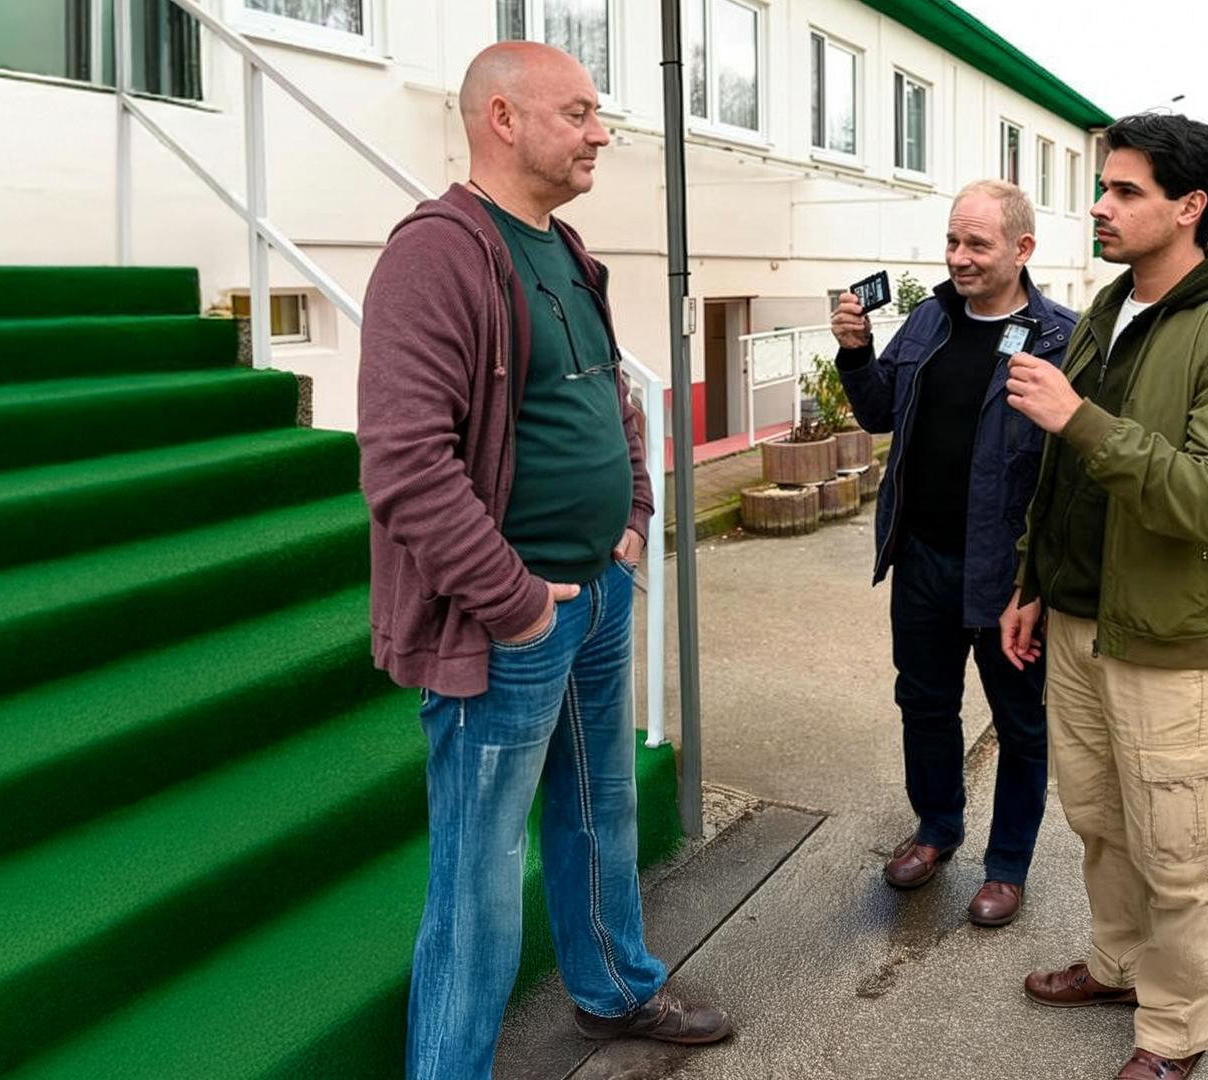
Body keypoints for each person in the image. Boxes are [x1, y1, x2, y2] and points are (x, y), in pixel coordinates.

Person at [356, 41, 730, 1080]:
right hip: (505, 621)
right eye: (578, 112)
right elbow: (402, 464)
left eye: (597, 113)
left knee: (600, 810)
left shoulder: (564, 247)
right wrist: (515, 603)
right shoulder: (436, 253)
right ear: (503, 119)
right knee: (477, 880)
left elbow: (610, 391)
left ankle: (614, 989)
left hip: (596, 594)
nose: (601, 131)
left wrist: (633, 511)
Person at [1001, 113, 1208, 1080]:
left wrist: (1081, 419)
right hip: (1082, 623)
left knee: (1184, 850)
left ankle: (1174, 1034)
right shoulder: (1108, 309)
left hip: (1175, 639)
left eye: (1125, 190)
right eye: (1103, 186)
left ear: (1190, 207)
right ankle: (1120, 966)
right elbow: (1063, 477)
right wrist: (1032, 584)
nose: (1101, 205)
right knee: (1102, 820)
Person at [830, 180, 1077, 926]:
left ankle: (1007, 867)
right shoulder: (929, 319)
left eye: (977, 244)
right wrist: (855, 353)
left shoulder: (1062, 337)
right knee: (925, 704)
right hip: (924, 561)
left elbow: (1073, 474)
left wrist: (1039, 581)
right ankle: (937, 829)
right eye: (952, 241)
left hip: (1008, 576)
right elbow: (879, 414)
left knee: (1021, 723)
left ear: (1022, 249)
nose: (959, 257)